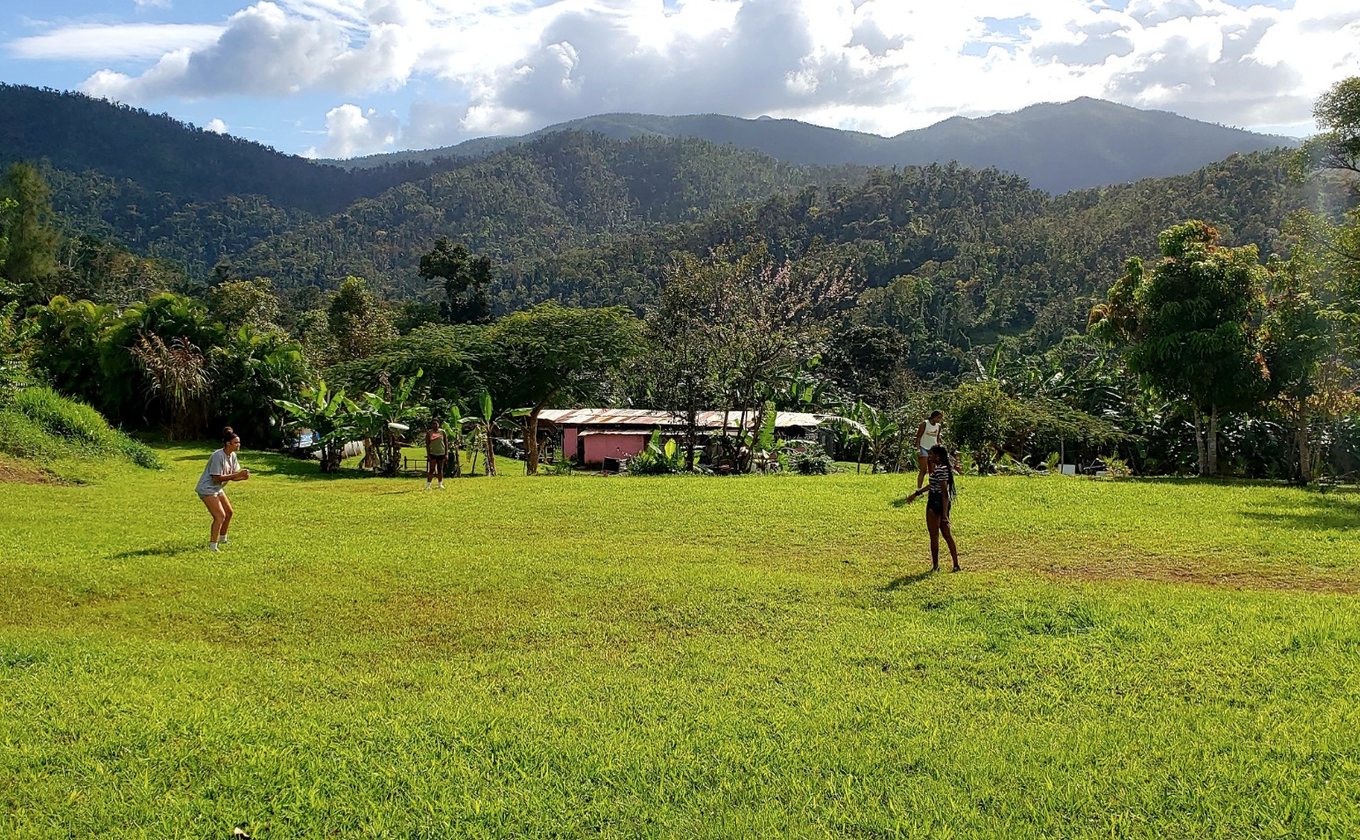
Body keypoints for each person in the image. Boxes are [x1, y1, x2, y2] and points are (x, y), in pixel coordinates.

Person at [906, 444, 960, 572]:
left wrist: (944, 516)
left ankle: (935, 566)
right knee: (947, 535)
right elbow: (933, 484)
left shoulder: (940, 470)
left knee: (934, 536)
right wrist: (917, 493)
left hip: (935, 502)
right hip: (942, 503)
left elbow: (944, 493)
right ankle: (956, 565)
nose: (929, 456)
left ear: (938, 456)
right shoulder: (944, 468)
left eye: (931, 454)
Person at [196, 429, 249, 552]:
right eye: (236, 442)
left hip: (217, 488)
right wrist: (237, 475)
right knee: (220, 516)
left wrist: (242, 477)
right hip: (207, 488)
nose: (238, 445)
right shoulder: (217, 455)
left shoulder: (233, 456)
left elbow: (231, 476)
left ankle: (223, 539)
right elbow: (217, 478)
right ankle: (213, 546)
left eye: (239, 442)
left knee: (229, 513)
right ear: (228, 443)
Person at [914, 410, 944, 490]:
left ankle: (933, 487)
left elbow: (937, 438)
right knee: (923, 470)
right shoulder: (925, 424)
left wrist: (939, 449)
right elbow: (918, 438)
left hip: (933, 450)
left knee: (933, 470)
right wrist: (918, 449)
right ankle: (919, 488)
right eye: (938, 418)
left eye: (940, 418)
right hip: (923, 447)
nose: (939, 420)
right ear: (933, 417)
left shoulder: (938, 426)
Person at [425, 417, 449, 489]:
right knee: (431, 470)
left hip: (441, 453)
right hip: (433, 453)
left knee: (440, 469)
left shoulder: (442, 432)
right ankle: (428, 485)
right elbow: (427, 444)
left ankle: (440, 484)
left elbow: (446, 443)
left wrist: (446, 453)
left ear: (438, 424)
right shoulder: (429, 433)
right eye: (433, 424)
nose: (435, 425)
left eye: (436, 424)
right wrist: (428, 454)